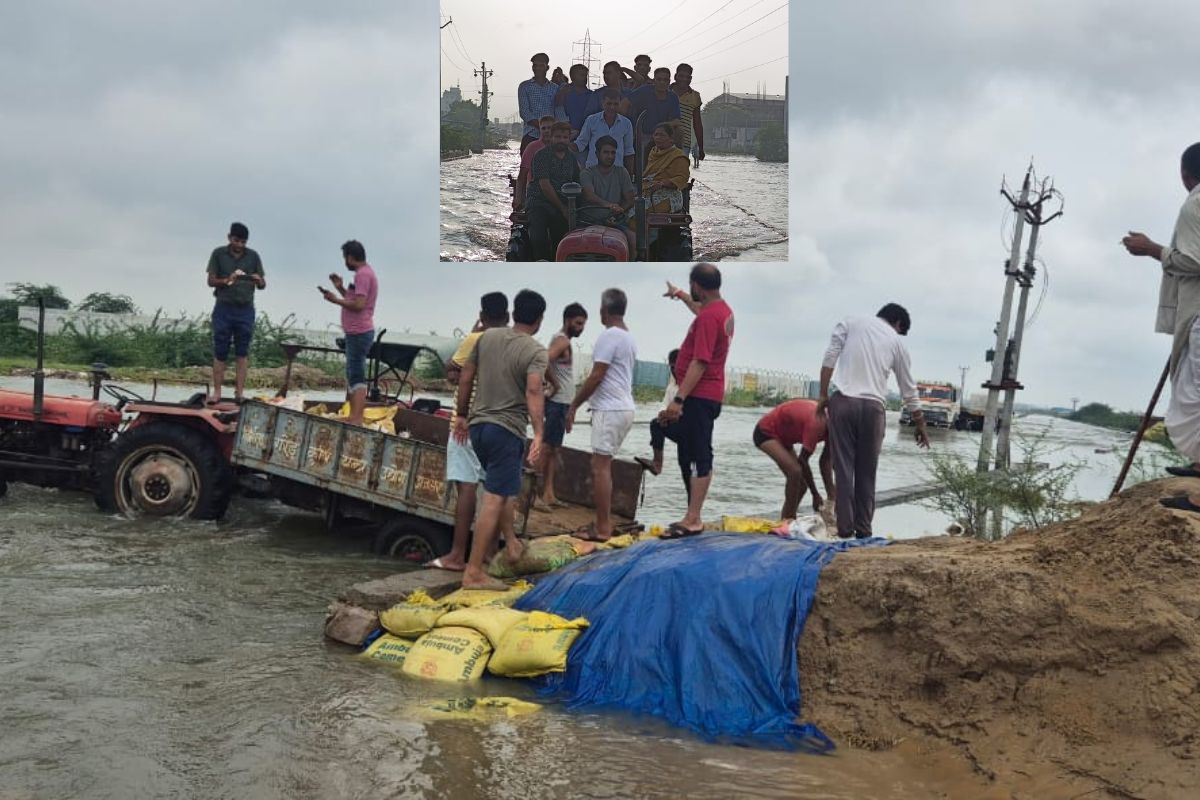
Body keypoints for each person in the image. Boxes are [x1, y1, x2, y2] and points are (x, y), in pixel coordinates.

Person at [1123, 142, 1200, 512]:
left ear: (1186, 174)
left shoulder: (1195, 203)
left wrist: (1152, 249)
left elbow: (1193, 261)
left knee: (1196, 394)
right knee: (1192, 391)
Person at [454, 290, 549, 589]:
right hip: (505, 429)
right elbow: (534, 391)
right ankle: (473, 572)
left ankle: (512, 546)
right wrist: (539, 432)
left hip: (479, 428)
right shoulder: (535, 351)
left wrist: (461, 414)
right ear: (539, 319)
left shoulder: (486, 338)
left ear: (515, 312)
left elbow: (466, 378)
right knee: (494, 498)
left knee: (501, 487)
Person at [817, 304, 930, 539]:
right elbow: (908, 388)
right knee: (867, 473)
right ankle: (864, 531)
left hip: (844, 403)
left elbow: (830, 357)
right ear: (898, 323)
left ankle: (845, 530)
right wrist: (919, 423)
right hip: (873, 409)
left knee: (844, 469)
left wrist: (823, 395)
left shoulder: (850, 321)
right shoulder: (897, 342)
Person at [427, 292, 511, 572]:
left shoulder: (477, 340)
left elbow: (454, 369)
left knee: (466, 487)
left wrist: (462, 415)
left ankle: (457, 555)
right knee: (494, 492)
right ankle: (489, 553)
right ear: (508, 316)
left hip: (469, 425)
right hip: (499, 426)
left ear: (482, 315)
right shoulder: (513, 343)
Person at [657, 264, 734, 538]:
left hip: (699, 396)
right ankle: (692, 514)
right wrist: (679, 294)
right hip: (708, 395)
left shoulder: (708, 319)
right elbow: (699, 310)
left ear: (697, 285)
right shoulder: (721, 311)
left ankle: (693, 519)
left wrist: (678, 399)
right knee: (690, 449)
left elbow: (700, 362)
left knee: (699, 453)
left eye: (690, 287)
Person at [567, 289, 637, 542]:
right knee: (602, 465)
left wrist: (574, 404)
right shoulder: (627, 337)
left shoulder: (609, 336)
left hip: (610, 409)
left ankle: (603, 527)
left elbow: (597, 375)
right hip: (622, 408)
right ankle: (602, 522)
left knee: (600, 467)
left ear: (603, 310)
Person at [318, 240, 378, 427]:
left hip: (359, 332)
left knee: (357, 374)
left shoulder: (363, 275)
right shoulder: (365, 274)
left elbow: (359, 305)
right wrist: (340, 289)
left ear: (350, 258)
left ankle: (357, 418)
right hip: (355, 332)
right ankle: (353, 415)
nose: (345, 262)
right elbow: (356, 300)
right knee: (352, 374)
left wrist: (335, 300)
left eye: (345, 258)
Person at [206, 221, 265, 403]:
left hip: (245, 309)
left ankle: (239, 393)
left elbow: (263, 284)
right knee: (220, 349)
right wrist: (227, 280)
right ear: (229, 238)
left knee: (242, 351)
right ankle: (217, 392)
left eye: (243, 242)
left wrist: (257, 279)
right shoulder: (218, 253)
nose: (239, 245)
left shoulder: (253, 256)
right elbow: (210, 281)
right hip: (224, 306)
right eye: (236, 240)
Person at [539, 302, 588, 509]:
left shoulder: (565, 341)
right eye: (578, 323)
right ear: (568, 320)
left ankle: (548, 493)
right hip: (557, 404)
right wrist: (555, 384)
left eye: (583, 324)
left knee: (554, 449)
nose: (581, 328)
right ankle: (535, 494)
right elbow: (542, 360)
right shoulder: (561, 340)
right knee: (546, 448)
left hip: (563, 404)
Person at [753, 399, 835, 521]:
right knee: (795, 472)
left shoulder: (835, 428)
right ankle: (789, 521)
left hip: (785, 438)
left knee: (802, 485)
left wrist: (831, 497)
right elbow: (803, 461)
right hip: (766, 433)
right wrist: (815, 494)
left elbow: (825, 461)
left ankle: (785, 519)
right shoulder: (817, 423)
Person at [526, 121, 581, 260]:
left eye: (564, 137)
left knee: (564, 241)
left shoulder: (572, 158)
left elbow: (578, 182)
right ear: (551, 137)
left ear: (569, 139)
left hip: (563, 204)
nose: (561, 140)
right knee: (539, 239)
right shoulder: (541, 155)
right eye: (558, 137)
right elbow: (545, 185)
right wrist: (563, 208)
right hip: (539, 202)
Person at [577, 136, 637, 254]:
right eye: (606, 152)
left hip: (615, 222)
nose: (610, 156)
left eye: (613, 153)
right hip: (589, 222)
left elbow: (630, 200)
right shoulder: (587, 173)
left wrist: (618, 211)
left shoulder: (622, 172)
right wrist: (609, 205)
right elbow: (589, 195)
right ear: (597, 153)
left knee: (632, 239)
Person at [638, 348, 680, 476]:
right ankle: (657, 463)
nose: (673, 370)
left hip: (689, 430)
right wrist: (663, 414)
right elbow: (664, 404)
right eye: (671, 367)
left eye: (676, 367)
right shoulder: (672, 386)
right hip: (674, 424)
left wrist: (671, 416)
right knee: (655, 424)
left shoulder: (689, 385)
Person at [574, 89, 635, 174]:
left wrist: (630, 175)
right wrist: (566, 145)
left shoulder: (626, 123)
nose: (612, 107)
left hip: (616, 172)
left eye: (615, 104)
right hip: (593, 170)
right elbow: (581, 143)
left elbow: (628, 151)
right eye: (609, 103)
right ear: (603, 103)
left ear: (620, 104)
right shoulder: (591, 120)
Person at [626, 67, 680, 158]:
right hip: (642, 134)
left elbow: (677, 121)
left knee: (679, 131)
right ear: (654, 80)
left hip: (663, 134)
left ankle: (677, 159)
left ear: (669, 81)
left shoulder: (673, 97)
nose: (662, 82)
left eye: (665, 80)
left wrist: (661, 127)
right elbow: (624, 104)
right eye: (659, 79)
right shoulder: (644, 90)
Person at [518, 53, 560, 155]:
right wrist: (544, 127)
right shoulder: (525, 86)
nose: (537, 68)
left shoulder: (555, 88)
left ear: (547, 67)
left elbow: (558, 110)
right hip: (531, 134)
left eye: (541, 65)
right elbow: (525, 113)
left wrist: (553, 129)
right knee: (528, 168)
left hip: (551, 137)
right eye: (535, 65)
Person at [642, 123, 690, 213]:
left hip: (670, 196)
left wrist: (662, 184)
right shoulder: (652, 153)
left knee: (638, 213)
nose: (658, 138)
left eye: (662, 135)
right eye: (656, 135)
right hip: (648, 193)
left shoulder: (678, 156)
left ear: (671, 139)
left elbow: (682, 178)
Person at [513, 115, 557, 211]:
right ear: (540, 130)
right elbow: (522, 176)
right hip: (535, 193)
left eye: (549, 128)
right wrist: (518, 200)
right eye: (543, 128)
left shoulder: (560, 147)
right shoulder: (532, 147)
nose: (546, 131)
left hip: (557, 190)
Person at [555, 64, 595, 151]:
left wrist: (580, 131)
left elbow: (592, 116)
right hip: (565, 136)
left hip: (585, 138)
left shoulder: (591, 95)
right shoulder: (565, 90)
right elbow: (558, 107)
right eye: (581, 75)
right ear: (572, 76)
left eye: (585, 75)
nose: (584, 78)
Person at [671, 63, 705, 167]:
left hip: (684, 143)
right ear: (675, 76)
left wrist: (701, 147)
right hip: (663, 140)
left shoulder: (695, 96)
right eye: (681, 76)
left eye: (687, 77)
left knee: (680, 174)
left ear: (690, 79)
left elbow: (697, 123)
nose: (684, 79)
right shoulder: (666, 90)